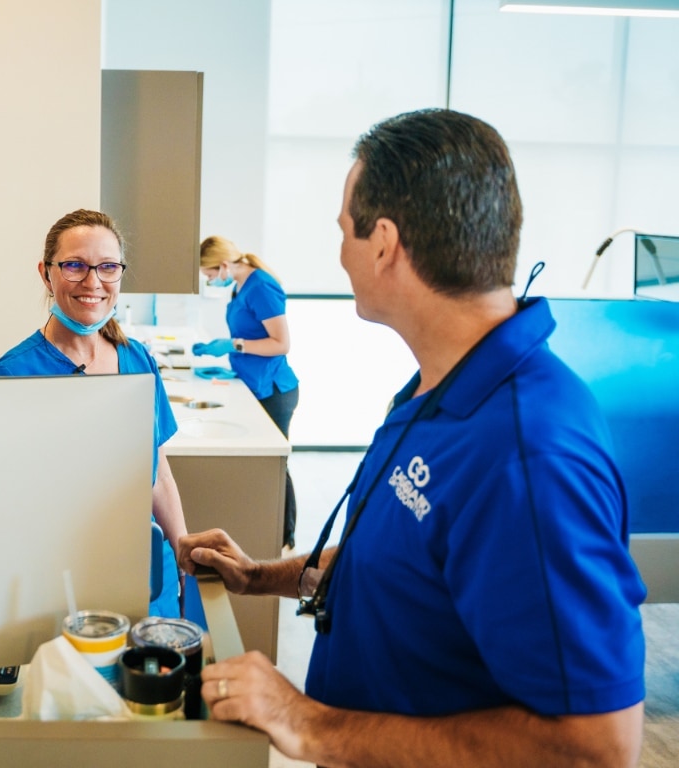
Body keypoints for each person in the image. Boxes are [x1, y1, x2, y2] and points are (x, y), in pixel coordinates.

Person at [178, 109, 646, 767]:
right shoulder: (444, 389)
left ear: (384, 243)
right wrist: (261, 576)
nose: (340, 252)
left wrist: (307, 722)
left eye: (344, 231)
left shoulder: (527, 455)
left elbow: (594, 749)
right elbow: (403, 560)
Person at [0, 208, 188, 618]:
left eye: (108, 267)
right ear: (46, 273)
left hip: (149, 570)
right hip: (58, 579)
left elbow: (158, 473)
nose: (93, 282)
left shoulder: (137, 359)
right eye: (74, 266)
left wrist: (182, 549)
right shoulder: (11, 375)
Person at [193, 236, 299, 550]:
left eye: (210, 275)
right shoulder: (241, 286)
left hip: (274, 390)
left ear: (224, 265)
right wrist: (233, 363)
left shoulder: (261, 286)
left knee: (275, 464)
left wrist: (234, 345)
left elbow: (281, 343)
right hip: (254, 382)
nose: (211, 281)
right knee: (266, 463)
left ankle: (284, 538)